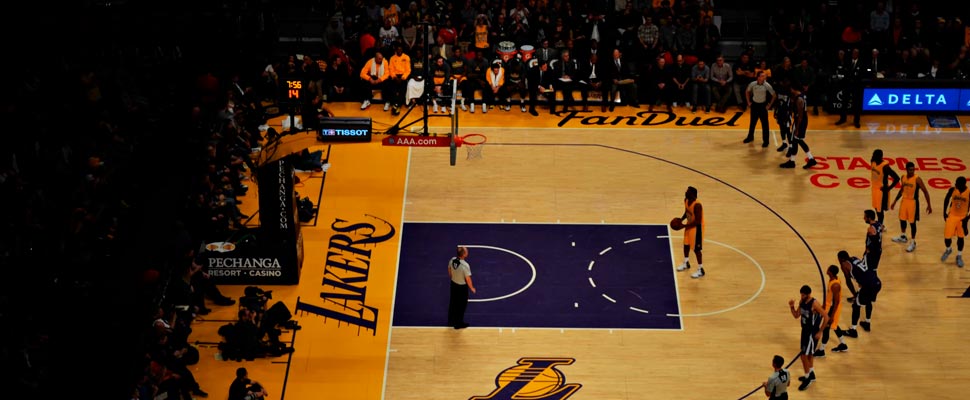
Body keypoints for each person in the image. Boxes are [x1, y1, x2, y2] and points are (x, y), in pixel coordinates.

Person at [788, 284, 829, 391]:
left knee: (803, 356)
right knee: (809, 354)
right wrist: (792, 306)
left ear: (809, 294)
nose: (802, 297)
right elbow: (797, 315)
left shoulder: (814, 303)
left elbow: (826, 317)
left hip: (812, 333)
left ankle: (807, 379)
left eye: (804, 295)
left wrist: (820, 331)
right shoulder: (802, 302)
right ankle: (811, 374)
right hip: (804, 331)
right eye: (801, 295)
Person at [890, 162, 933, 252]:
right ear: (906, 169)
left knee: (912, 223)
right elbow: (902, 190)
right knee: (902, 219)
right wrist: (895, 201)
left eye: (913, 169)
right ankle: (903, 236)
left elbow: (925, 191)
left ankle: (913, 242)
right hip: (904, 201)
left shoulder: (917, 179)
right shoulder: (903, 177)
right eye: (910, 170)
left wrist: (929, 205)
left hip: (913, 203)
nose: (912, 171)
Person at [838, 250, 882, 337]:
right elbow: (861, 270)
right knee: (868, 301)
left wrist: (854, 294)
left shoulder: (844, 265)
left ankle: (853, 330)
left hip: (868, 286)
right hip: (877, 282)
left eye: (838, 259)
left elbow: (848, 281)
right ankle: (867, 323)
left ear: (841, 259)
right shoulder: (854, 258)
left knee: (856, 305)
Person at [779, 85, 817, 169]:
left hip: (800, 122)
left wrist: (797, 128)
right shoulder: (801, 96)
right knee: (797, 141)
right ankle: (807, 159)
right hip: (802, 121)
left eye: (791, 90)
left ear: (793, 89)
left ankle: (796, 161)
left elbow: (800, 115)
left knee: (795, 141)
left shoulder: (799, 99)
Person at [818, 265, 849, 355]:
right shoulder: (833, 279)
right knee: (834, 326)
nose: (826, 269)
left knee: (826, 328)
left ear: (830, 272)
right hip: (829, 306)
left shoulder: (835, 285)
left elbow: (836, 301)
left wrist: (831, 316)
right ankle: (843, 344)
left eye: (828, 269)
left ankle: (821, 350)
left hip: (833, 308)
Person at [675, 186, 706, 278]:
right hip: (689, 225)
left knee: (697, 249)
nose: (685, 192)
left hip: (697, 228)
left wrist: (684, 225)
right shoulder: (686, 200)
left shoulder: (697, 205)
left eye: (687, 191)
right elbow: (687, 211)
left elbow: (698, 221)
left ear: (692, 194)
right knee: (686, 245)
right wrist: (681, 219)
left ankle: (701, 269)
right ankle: (686, 262)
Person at [941, 176, 970, 268]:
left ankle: (959, 255)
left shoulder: (969, 192)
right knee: (947, 237)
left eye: (957, 184)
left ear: (963, 184)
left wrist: (967, 218)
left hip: (962, 217)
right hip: (952, 215)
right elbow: (946, 199)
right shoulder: (953, 189)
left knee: (960, 238)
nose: (955, 185)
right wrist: (944, 212)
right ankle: (948, 249)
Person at [743, 71, 776, 147]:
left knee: (765, 124)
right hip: (754, 105)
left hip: (762, 106)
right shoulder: (753, 84)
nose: (764, 77)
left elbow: (774, 95)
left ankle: (766, 141)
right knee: (752, 123)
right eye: (762, 76)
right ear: (758, 77)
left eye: (765, 76)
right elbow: (747, 92)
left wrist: (769, 105)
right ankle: (750, 137)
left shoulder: (767, 85)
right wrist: (748, 102)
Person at [447, 246, 476, 329]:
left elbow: (449, 270)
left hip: (453, 284)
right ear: (463, 254)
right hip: (461, 288)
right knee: (461, 305)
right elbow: (468, 279)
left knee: (453, 302)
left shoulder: (452, 260)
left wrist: (453, 277)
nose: (467, 251)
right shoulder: (465, 265)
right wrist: (472, 288)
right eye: (466, 251)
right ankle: (458, 323)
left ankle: (451, 320)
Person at [869, 149, 901, 223]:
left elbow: (897, 178)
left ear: (881, 157)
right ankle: (880, 224)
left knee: (880, 211)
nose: (873, 157)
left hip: (881, 191)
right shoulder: (873, 162)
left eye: (875, 156)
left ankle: (880, 226)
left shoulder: (885, 167)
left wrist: (888, 188)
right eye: (873, 155)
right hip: (874, 189)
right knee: (876, 208)